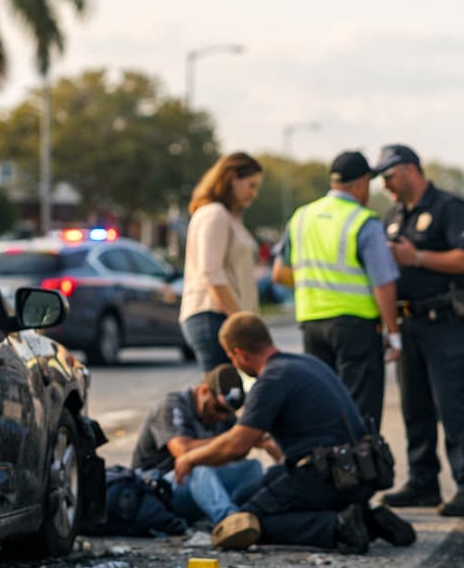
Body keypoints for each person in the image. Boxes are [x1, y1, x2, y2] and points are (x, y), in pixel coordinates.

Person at [174, 312, 415, 553]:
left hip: (329, 476)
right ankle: (366, 517)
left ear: (239, 354)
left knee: (246, 522)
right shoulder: (307, 364)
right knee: (255, 489)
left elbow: (236, 446)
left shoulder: (271, 380)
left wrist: (189, 458)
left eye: (231, 357)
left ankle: (340, 527)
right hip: (360, 471)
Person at [374, 144, 464, 517]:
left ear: (409, 170)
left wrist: (419, 257)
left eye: (389, 176)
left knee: (453, 405)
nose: (386, 185)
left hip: (445, 322)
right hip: (409, 324)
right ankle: (423, 481)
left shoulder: (448, 208)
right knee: (415, 407)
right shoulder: (393, 216)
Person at [271, 150, 401, 430]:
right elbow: (383, 283)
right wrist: (394, 331)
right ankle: (362, 471)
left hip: (312, 325)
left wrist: (316, 281)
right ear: (361, 183)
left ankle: (328, 470)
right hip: (355, 327)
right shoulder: (363, 221)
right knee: (359, 411)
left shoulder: (301, 217)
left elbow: (279, 273)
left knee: (323, 404)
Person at [130, 363, 275, 527]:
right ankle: (229, 521)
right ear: (204, 391)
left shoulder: (223, 415)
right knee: (198, 467)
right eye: (219, 409)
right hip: (156, 488)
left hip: (197, 489)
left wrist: (257, 441)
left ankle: (249, 515)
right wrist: (235, 438)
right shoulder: (172, 405)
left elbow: (235, 450)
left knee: (251, 468)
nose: (222, 417)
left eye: (228, 412)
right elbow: (182, 450)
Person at [180, 152, 263, 371]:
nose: (254, 193)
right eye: (251, 185)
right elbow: (211, 273)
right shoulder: (214, 214)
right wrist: (241, 323)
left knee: (230, 396)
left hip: (223, 317)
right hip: (214, 316)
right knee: (223, 397)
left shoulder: (226, 216)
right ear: (232, 177)